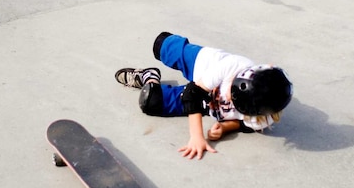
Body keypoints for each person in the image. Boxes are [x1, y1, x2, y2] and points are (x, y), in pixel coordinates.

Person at [115, 32, 293, 160]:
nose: (228, 99)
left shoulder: (262, 117)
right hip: (204, 65)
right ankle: (171, 47)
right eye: (231, 90)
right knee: (163, 45)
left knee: (150, 101)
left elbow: (243, 124)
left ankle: (148, 76)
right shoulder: (233, 65)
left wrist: (224, 129)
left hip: (206, 103)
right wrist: (196, 136)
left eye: (234, 102)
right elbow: (194, 93)